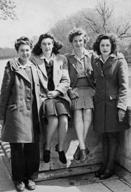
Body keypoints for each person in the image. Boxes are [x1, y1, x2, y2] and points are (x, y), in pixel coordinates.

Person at [0, 37, 41, 191]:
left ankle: (31, 178)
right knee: (17, 147)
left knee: (33, 146)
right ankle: (18, 180)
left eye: (27, 50)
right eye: (22, 50)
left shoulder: (35, 65)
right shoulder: (12, 66)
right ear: (17, 52)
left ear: (30, 51)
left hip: (33, 113)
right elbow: (4, 91)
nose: (25, 53)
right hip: (16, 111)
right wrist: (2, 115)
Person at [91, 34, 128, 179]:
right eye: (102, 45)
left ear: (112, 46)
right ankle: (104, 166)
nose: (105, 48)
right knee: (104, 136)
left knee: (112, 137)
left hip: (114, 106)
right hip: (100, 106)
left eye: (107, 45)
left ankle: (110, 168)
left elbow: (124, 87)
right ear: (98, 47)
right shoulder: (96, 61)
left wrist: (122, 107)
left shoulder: (119, 61)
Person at [31, 33, 71, 164]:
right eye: (44, 44)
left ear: (53, 45)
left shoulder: (61, 59)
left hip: (59, 95)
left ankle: (60, 148)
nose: (47, 46)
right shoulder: (34, 59)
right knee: (53, 120)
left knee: (64, 120)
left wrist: (57, 91)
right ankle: (47, 147)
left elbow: (66, 80)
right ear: (40, 46)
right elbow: (33, 81)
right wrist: (45, 93)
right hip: (44, 97)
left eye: (49, 44)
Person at [66, 28, 95, 162]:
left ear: (84, 41)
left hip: (89, 89)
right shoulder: (68, 58)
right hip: (75, 89)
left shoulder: (92, 55)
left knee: (88, 112)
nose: (78, 43)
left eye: (80, 41)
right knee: (78, 113)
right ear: (72, 43)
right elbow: (63, 78)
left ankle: (81, 147)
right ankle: (83, 148)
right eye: (75, 41)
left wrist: (97, 89)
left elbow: (99, 75)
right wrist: (69, 91)